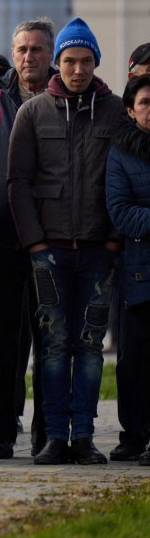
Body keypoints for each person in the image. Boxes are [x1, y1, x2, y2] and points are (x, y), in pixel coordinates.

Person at [9, 17, 124, 465]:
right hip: (50, 252)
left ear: (96, 62)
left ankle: (84, 437)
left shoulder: (116, 112)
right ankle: (55, 436)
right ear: (57, 64)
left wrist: (114, 241)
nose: (78, 69)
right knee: (54, 346)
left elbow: (125, 179)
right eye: (70, 61)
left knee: (91, 347)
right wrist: (35, 245)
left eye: (86, 61)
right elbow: (18, 182)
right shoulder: (32, 112)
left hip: (99, 250)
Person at [0, 18, 56, 459]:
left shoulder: (64, 99)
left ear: (51, 55)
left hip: (51, 239)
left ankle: (47, 432)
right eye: (22, 49)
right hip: (0, 235)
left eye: (37, 50)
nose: (28, 58)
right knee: (0, 339)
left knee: (49, 338)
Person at [107, 74, 150, 465]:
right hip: (138, 274)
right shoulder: (122, 152)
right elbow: (120, 212)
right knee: (133, 360)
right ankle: (134, 435)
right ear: (130, 110)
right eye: (145, 102)